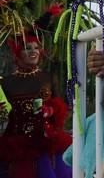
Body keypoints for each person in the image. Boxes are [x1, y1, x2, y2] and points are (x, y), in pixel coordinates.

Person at [0, 28, 72, 178]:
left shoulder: (47, 77)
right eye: (27, 48)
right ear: (18, 52)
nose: (33, 51)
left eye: (36, 47)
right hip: (17, 144)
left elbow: (60, 105)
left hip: (48, 141)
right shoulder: (6, 82)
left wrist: (51, 111)